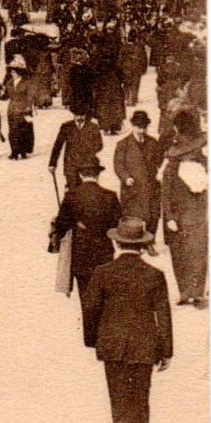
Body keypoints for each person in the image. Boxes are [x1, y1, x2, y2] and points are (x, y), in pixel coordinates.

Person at [82, 217, 173, 423]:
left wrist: (93, 341)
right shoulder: (155, 275)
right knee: (141, 399)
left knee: (118, 398)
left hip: (112, 346)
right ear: (142, 246)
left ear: (117, 244)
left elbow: (90, 309)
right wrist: (167, 351)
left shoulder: (102, 273)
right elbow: (163, 314)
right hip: (145, 346)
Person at [51, 160, 122, 330]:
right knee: (105, 293)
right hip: (104, 252)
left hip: (81, 254)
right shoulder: (110, 196)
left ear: (81, 175)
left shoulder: (71, 196)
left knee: (86, 295)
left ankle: (90, 336)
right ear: (98, 174)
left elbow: (61, 225)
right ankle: (106, 331)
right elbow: (117, 225)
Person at [161, 109, 208, 307]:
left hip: (198, 218)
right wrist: (169, 217)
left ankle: (196, 292)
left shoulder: (205, 165)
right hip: (178, 219)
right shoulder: (171, 169)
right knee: (179, 255)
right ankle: (184, 291)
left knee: (198, 253)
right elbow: (165, 194)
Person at [113, 110, 163, 235]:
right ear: (133, 126)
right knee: (133, 215)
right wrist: (126, 178)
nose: (141, 131)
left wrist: (160, 172)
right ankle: (134, 241)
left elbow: (159, 161)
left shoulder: (153, 142)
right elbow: (118, 165)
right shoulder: (123, 144)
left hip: (151, 185)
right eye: (138, 127)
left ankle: (150, 241)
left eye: (144, 127)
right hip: (132, 186)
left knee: (153, 214)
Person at [48, 108, 105, 189]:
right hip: (71, 165)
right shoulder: (66, 127)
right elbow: (58, 145)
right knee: (73, 191)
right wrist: (52, 164)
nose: (80, 118)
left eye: (82, 116)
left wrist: (88, 150)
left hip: (89, 165)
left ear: (85, 115)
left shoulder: (93, 127)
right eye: (77, 115)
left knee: (88, 191)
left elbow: (99, 145)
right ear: (73, 115)